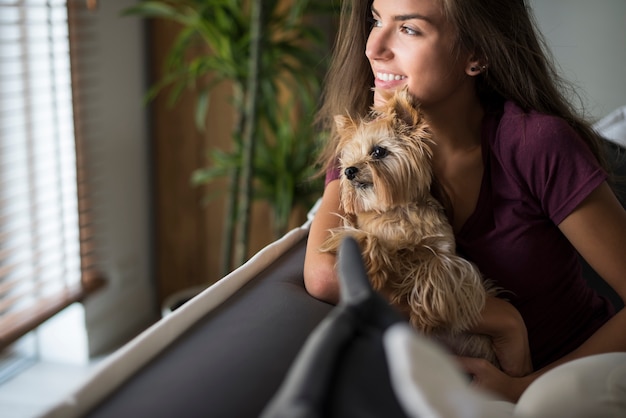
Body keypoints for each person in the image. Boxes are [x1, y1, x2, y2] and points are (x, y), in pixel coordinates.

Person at [303, 0, 626, 409]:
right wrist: (500, 320)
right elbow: (326, 274)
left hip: (574, 375)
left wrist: (523, 386)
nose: (374, 47)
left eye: (409, 29)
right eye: (375, 20)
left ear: (477, 54)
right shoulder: (363, 149)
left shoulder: (536, 145)